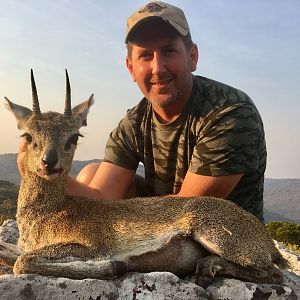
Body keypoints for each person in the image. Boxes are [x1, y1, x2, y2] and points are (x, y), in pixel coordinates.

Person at [18, 1, 266, 222]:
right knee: (91, 173)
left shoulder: (230, 113)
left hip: (219, 234)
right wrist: (43, 173)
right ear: (131, 68)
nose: (158, 68)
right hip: (160, 214)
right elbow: (101, 196)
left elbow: (190, 209)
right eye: (145, 56)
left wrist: (111, 214)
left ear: (192, 56)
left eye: (169, 51)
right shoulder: (134, 122)